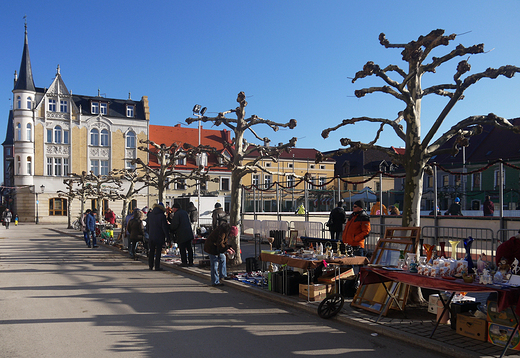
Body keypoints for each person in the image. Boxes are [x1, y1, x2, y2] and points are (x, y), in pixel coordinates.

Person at [146, 203, 169, 271]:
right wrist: (167, 237)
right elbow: (164, 227)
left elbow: (147, 226)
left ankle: (150, 265)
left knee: (151, 251)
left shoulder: (150, 215)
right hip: (159, 236)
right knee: (158, 252)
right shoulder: (162, 216)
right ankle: (157, 266)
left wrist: (149, 233)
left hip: (151, 236)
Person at [170, 203, 195, 267]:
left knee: (182, 248)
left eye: (173, 208)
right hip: (188, 232)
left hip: (182, 233)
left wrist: (171, 227)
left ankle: (184, 262)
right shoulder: (185, 212)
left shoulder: (177, 214)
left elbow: (175, 224)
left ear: (175, 208)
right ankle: (191, 262)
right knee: (189, 248)